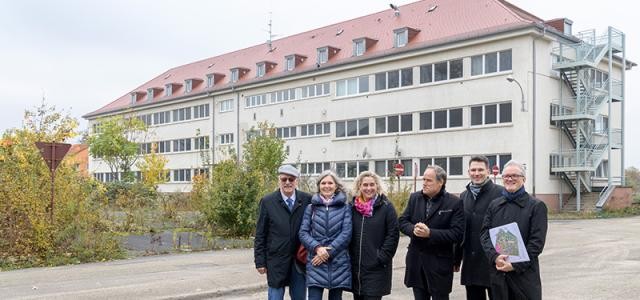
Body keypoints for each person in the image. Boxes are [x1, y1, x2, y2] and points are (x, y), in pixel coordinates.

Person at [480, 160, 548, 300]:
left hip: (524, 277)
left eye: (514, 176)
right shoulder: (494, 205)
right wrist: (495, 257)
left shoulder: (536, 206)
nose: (510, 179)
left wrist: (515, 265)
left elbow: (536, 243)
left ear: (524, 179)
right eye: (506, 176)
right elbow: (484, 234)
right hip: (499, 274)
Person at [399, 165, 464, 300]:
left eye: (429, 180)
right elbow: (402, 221)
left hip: (439, 265)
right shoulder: (414, 198)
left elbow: (457, 233)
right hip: (416, 263)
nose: (424, 183)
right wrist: (413, 230)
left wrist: (430, 233)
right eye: (424, 179)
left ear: (441, 182)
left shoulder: (454, 203)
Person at [254, 164, 312, 300]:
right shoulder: (268, 201)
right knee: (275, 296)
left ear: (296, 181)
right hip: (276, 261)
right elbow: (260, 234)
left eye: (291, 179)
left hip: (299, 260)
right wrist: (260, 261)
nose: (287, 182)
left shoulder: (306, 200)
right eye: (284, 179)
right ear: (279, 180)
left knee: (299, 297)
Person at [454, 156, 505, 300]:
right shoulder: (464, 196)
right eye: (473, 170)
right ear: (468, 172)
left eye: (480, 170)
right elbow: (460, 229)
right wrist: (456, 258)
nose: (477, 173)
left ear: (488, 171)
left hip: (494, 260)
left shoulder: (500, 193)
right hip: (471, 262)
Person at [299, 170, 352, 300]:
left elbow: (346, 234)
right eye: (323, 183)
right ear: (319, 186)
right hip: (316, 261)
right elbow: (303, 232)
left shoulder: (345, 208)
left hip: (338, 262)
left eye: (330, 183)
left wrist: (328, 252)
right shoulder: (311, 208)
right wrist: (318, 248)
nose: (326, 186)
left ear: (336, 186)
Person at [350, 171, 400, 300]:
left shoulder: (386, 207)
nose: (368, 188)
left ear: (377, 186)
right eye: (365, 185)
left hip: (376, 269)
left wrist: (381, 258)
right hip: (356, 269)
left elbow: (393, 235)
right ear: (359, 186)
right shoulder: (352, 207)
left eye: (372, 184)